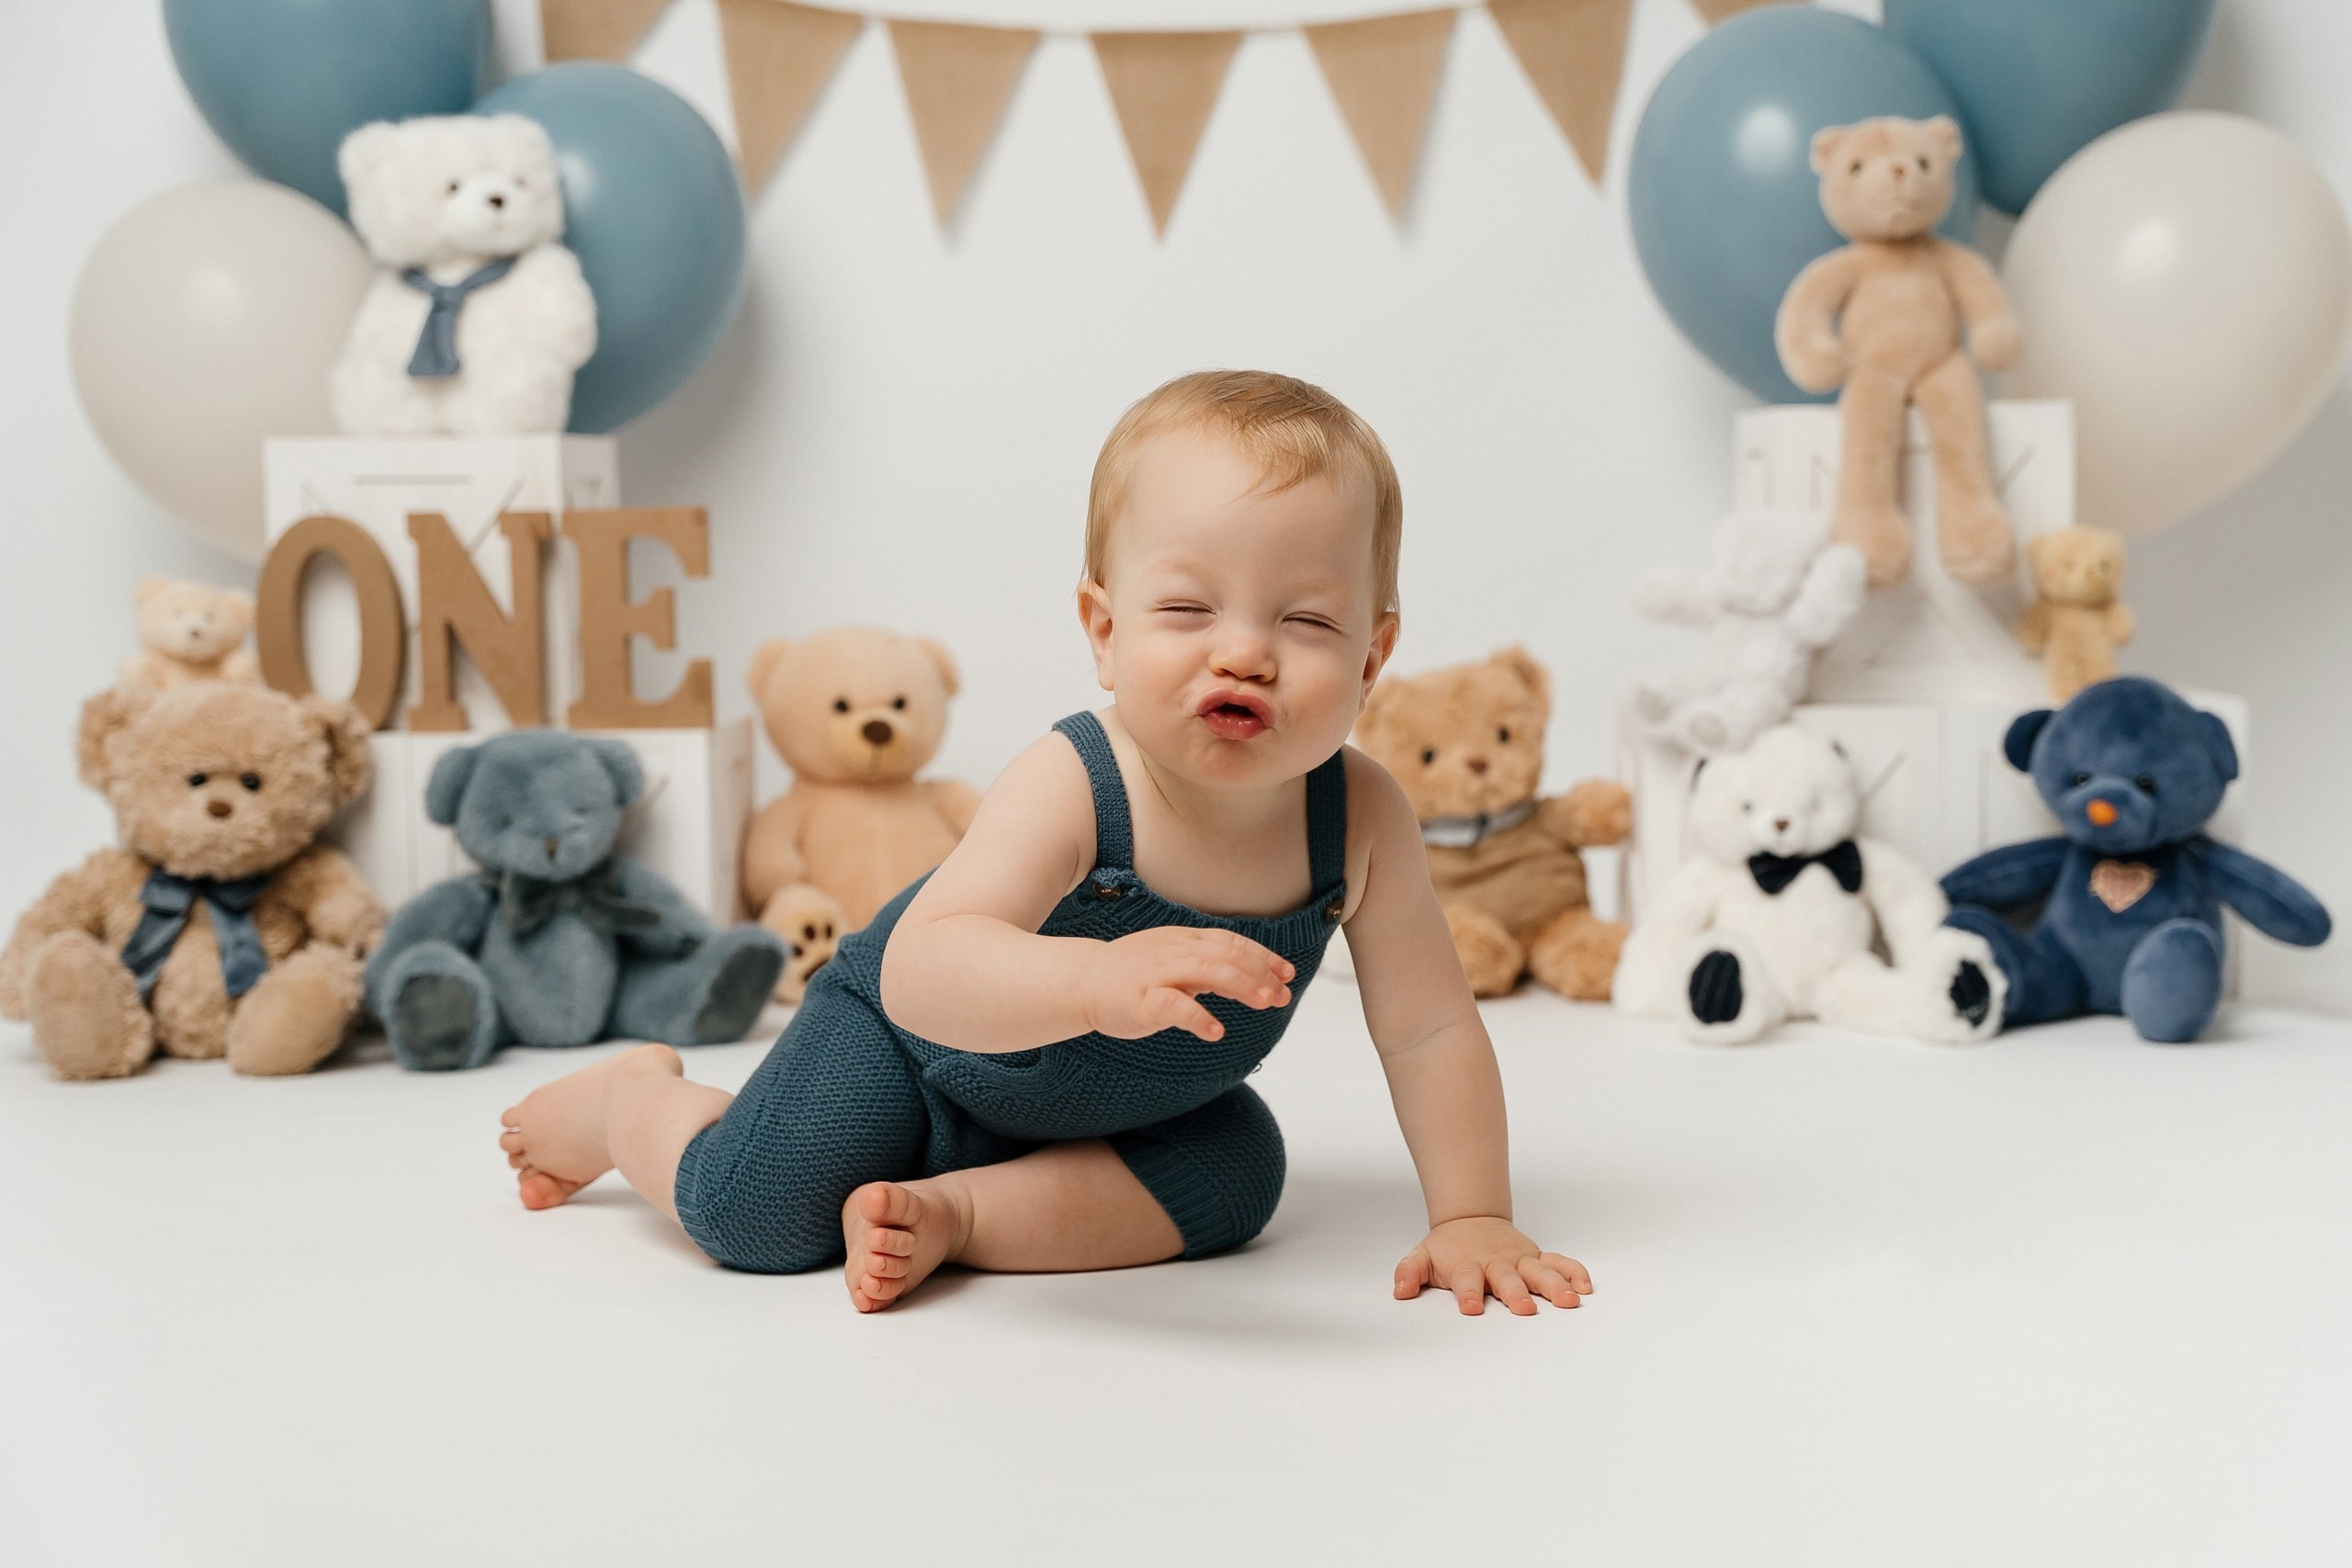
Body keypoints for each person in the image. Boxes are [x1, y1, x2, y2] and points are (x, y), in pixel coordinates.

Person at [498, 370, 1595, 1316]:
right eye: (1187, 610)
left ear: (1371, 658)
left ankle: (961, 1213)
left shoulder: (1359, 816)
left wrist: (1474, 1215)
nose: (1246, 654)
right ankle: (627, 1101)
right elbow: (930, 968)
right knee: (757, 1214)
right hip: (913, 1049)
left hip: (1130, 1106)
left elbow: (1430, 1029)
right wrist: (1093, 978)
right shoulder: (1078, 778)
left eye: (1305, 622)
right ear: (1104, 632)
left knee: (1236, 1177)